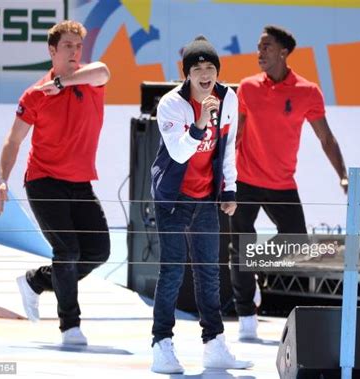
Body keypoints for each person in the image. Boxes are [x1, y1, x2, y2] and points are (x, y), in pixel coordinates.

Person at [0, 20, 111, 345]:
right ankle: (69, 326)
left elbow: (103, 70)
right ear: (52, 50)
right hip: (44, 181)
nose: (75, 51)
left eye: (78, 46)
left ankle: (35, 282)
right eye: (68, 46)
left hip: (80, 182)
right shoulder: (35, 94)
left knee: (98, 251)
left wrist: (63, 82)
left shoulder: (90, 78)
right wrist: (2, 180)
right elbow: (14, 140)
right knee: (68, 250)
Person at [230, 25, 348, 340]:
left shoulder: (308, 91)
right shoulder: (247, 87)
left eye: (266, 47)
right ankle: (246, 316)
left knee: (296, 241)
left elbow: (326, 138)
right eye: (258, 46)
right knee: (240, 247)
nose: (260, 53)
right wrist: (225, 173)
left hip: (281, 182)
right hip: (245, 178)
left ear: (283, 52)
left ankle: (252, 271)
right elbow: (237, 133)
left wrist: (343, 175)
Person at [149, 36, 253, 374]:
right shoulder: (170, 104)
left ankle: (214, 345)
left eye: (211, 68)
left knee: (210, 273)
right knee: (173, 272)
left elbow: (228, 144)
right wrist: (200, 123)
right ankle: (161, 345)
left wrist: (230, 188)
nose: (205, 74)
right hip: (173, 199)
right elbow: (179, 152)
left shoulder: (229, 98)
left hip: (207, 196)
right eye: (198, 69)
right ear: (187, 74)